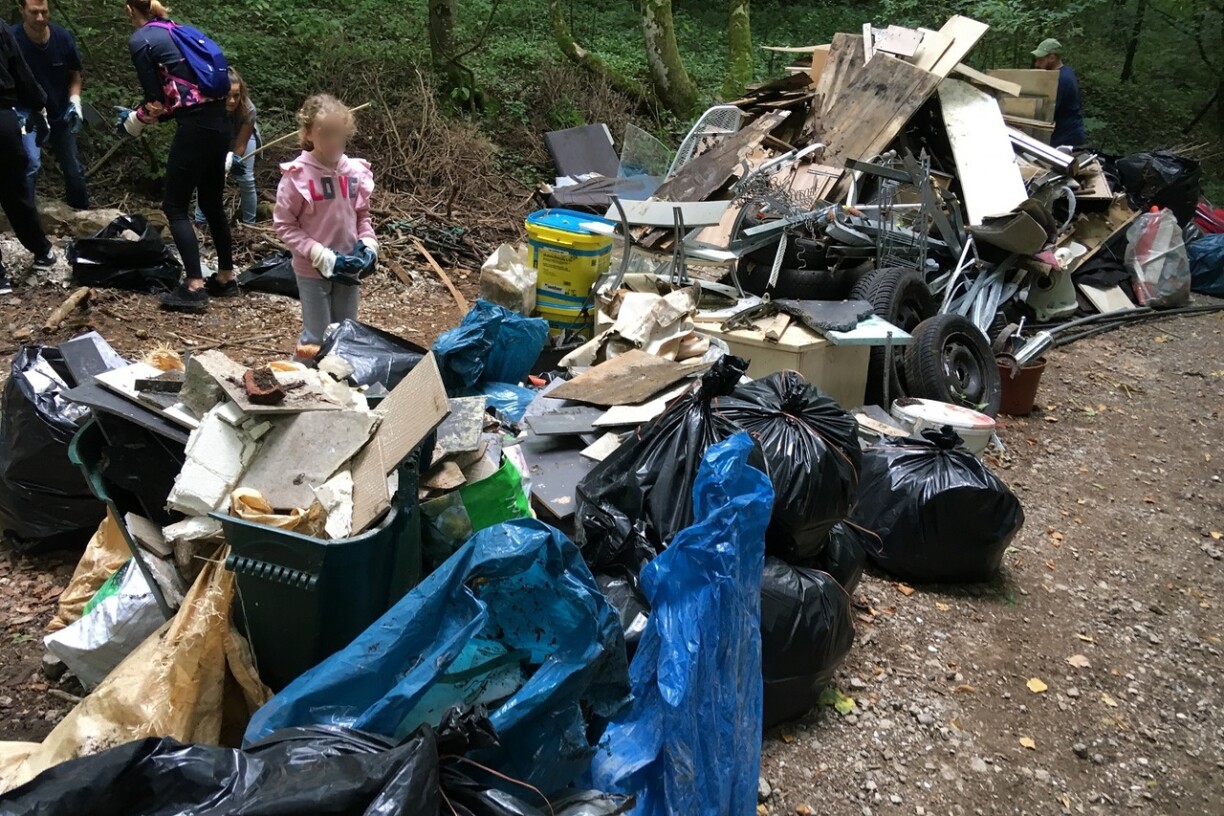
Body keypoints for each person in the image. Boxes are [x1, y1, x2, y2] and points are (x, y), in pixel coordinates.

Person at [122, 0, 236, 313]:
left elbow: (155, 101)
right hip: (219, 124)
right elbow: (185, 97)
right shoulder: (180, 31)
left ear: (129, 10)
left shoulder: (142, 39)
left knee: (174, 206)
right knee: (211, 202)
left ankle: (194, 285)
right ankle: (225, 277)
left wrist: (133, 121)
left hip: (196, 129)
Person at [273, 94, 378, 360]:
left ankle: (335, 386)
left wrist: (368, 244)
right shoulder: (297, 176)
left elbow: (362, 216)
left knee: (346, 331)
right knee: (316, 335)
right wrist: (317, 252)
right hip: (312, 269)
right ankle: (299, 379)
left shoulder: (355, 171)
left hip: (348, 267)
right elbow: (284, 225)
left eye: (340, 135)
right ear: (308, 133)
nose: (334, 142)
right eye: (326, 134)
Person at [11, 0, 89, 209]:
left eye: (44, 12)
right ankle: (25, 218)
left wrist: (75, 102)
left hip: (59, 111)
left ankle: (82, 218)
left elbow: (75, 75)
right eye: (34, 12)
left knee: (74, 170)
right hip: (27, 114)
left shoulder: (62, 38)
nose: (40, 18)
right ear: (22, 10)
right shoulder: (11, 39)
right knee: (31, 164)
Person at [0, 25, 57, 295]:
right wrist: (38, 103)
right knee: (15, 192)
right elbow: (20, 68)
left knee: (15, 189)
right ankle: (42, 250)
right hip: (3, 119)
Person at [195, 67, 259, 226]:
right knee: (207, 175)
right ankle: (200, 221)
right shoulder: (207, 106)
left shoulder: (248, 109)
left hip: (242, 136)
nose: (232, 101)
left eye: (236, 95)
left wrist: (235, 158)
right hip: (216, 137)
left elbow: (242, 142)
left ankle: (250, 224)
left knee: (246, 178)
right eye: (227, 96)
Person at [1031, 38, 1086, 149]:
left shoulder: (1061, 79)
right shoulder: (1064, 72)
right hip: (1064, 135)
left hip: (1066, 139)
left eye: (1040, 60)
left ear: (1052, 58)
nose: (1037, 64)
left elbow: (1049, 111)